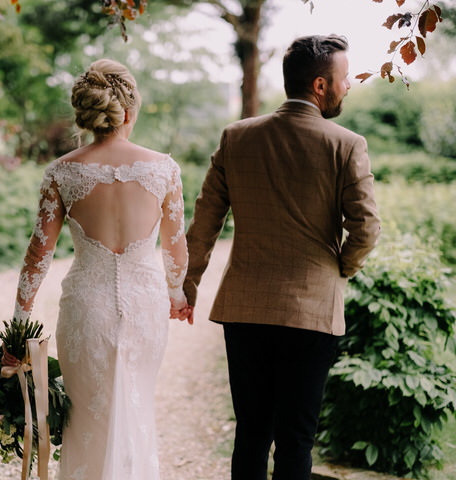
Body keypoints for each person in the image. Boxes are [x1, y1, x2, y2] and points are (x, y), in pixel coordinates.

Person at [179, 35, 381, 480]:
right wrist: (339, 268)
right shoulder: (347, 144)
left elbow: (204, 222)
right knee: (296, 440)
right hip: (311, 314)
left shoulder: (237, 136)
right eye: (343, 78)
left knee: (251, 433)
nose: (348, 85)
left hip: (245, 309)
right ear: (320, 86)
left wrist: (187, 283)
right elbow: (366, 228)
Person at [9, 58, 191, 479]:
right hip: (145, 307)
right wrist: (178, 296)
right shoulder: (164, 168)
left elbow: (39, 253)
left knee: (88, 417)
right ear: (129, 110)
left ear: (87, 113)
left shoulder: (62, 172)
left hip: (85, 310)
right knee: (136, 405)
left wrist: (19, 325)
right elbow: (175, 248)